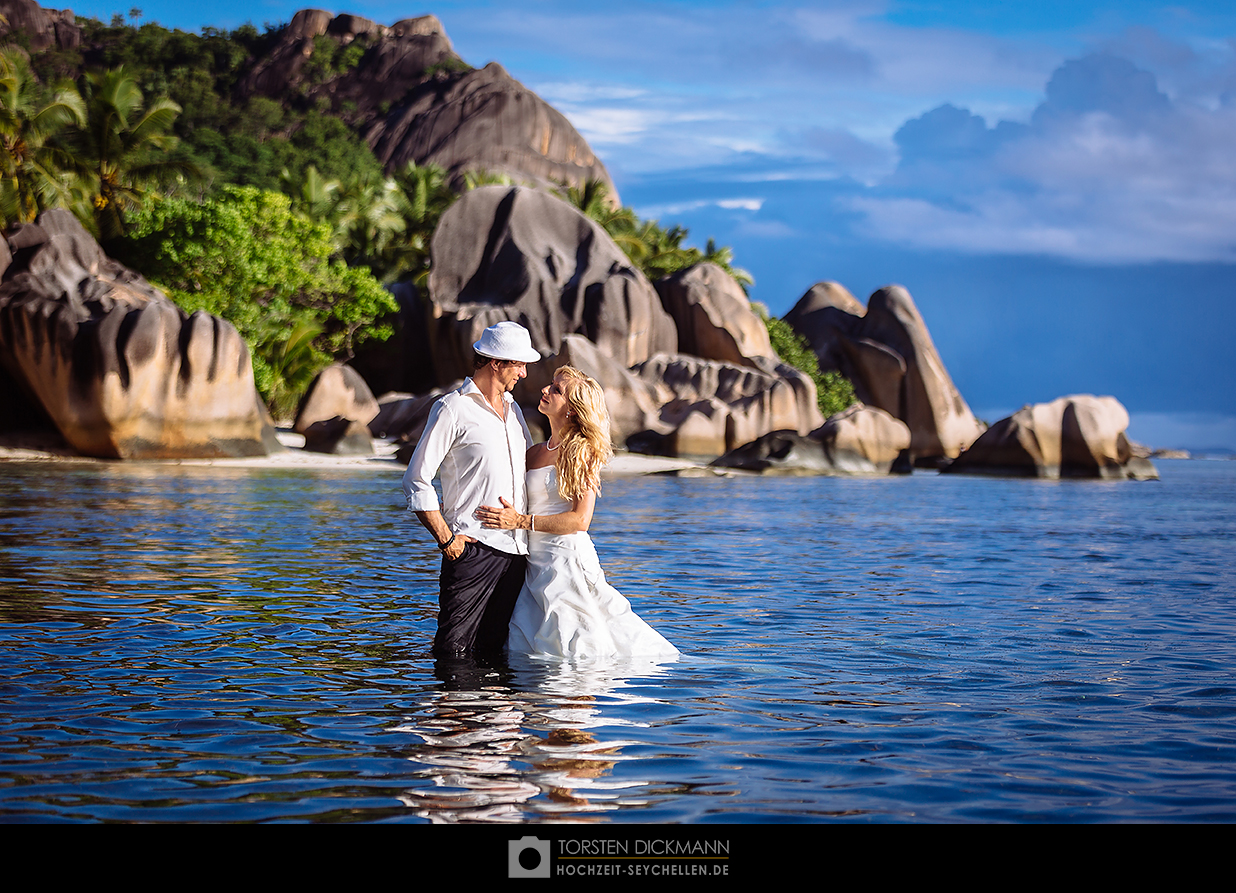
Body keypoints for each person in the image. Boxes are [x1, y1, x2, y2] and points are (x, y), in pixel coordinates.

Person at [475, 366, 678, 660]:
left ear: (572, 410)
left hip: (565, 559)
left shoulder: (581, 451)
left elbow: (580, 520)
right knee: (530, 645)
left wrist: (520, 521)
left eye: (556, 390)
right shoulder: (533, 453)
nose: (545, 390)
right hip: (533, 561)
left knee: (577, 644)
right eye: (552, 384)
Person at [402, 321, 541, 657]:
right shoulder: (453, 408)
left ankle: (492, 712)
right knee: (454, 651)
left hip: (518, 552)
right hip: (473, 550)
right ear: (496, 362)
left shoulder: (514, 410)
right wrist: (447, 541)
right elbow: (416, 478)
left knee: (496, 652)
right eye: (519, 364)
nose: (523, 374)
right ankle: (451, 711)